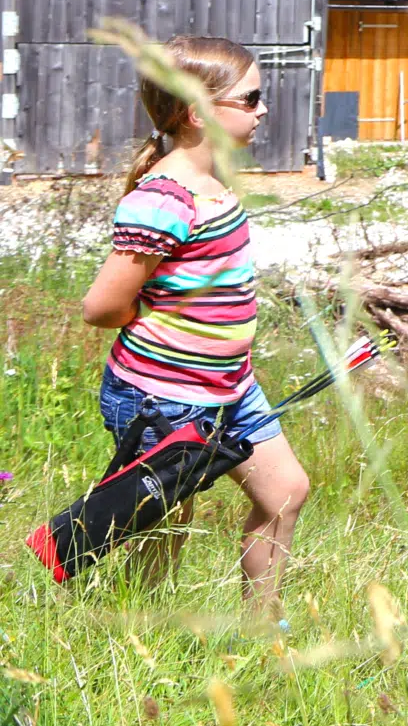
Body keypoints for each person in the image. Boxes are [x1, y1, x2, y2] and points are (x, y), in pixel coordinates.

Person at [80, 36, 309, 616]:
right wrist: (168, 326)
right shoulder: (164, 199)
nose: (262, 109)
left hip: (230, 386)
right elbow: (102, 307)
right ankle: (137, 648)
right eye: (250, 98)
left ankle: (262, 636)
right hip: (161, 396)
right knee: (165, 528)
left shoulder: (213, 185)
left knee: (285, 493)